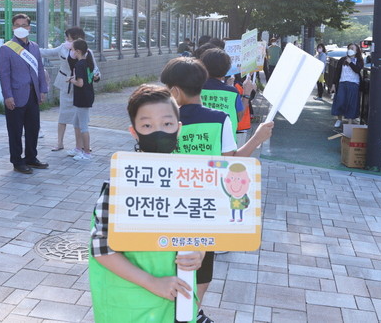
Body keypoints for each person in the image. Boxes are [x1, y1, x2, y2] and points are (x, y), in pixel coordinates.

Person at [160, 58, 273, 322]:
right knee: (202, 265)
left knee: (169, 260)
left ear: (174, 90)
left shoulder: (165, 120)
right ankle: (192, 311)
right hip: (205, 207)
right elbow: (232, 164)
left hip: (170, 204)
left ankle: (173, 311)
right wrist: (257, 138)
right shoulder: (219, 119)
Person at [89, 84, 205, 323]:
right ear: (134, 132)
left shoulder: (191, 179)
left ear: (179, 129)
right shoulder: (120, 183)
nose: (159, 132)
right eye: (147, 126)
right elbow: (101, 248)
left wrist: (199, 252)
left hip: (177, 303)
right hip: (130, 307)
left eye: (167, 124)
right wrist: (152, 282)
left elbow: (203, 230)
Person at [0, 13, 49, 174]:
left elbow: (40, 69)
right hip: (15, 95)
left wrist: (43, 90)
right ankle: (17, 161)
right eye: (17, 25)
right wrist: (8, 96)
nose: (21, 28)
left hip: (33, 95)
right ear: (13, 27)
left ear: (29, 27)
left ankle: (31, 158)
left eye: (24, 25)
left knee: (33, 128)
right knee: (15, 131)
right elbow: (4, 75)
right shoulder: (6, 48)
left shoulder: (34, 47)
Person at [40, 27, 101, 153]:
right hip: (65, 84)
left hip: (80, 89)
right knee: (63, 115)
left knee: (79, 119)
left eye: (68, 38)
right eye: (66, 38)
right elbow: (47, 52)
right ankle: (60, 143)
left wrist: (97, 76)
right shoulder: (63, 48)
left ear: (77, 39)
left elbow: (94, 69)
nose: (66, 41)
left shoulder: (87, 52)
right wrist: (30, 48)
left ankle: (81, 146)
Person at [198, 48, 244, 140]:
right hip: (226, 142)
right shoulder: (232, 92)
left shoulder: (193, 89)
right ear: (227, 69)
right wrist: (247, 94)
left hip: (200, 141)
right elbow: (239, 117)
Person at [68, 39, 95, 161]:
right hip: (87, 96)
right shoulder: (87, 62)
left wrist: (71, 80)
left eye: (72, 50)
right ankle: (78, 148)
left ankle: (87, 153)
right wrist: (74, 78)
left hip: (82, 98)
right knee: (76, 123)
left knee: (83, 126)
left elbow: (80, 83)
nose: (71, 52)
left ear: (78, 51)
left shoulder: (79, 65)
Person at [331, 43, 364, 128]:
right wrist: (334, 84)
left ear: (357, 50)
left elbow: (357, 70)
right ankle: (339, 119)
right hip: (342, 82)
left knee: (352, 103)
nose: (350, 50)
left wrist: (350, 63)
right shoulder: (342, 60)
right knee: (340, 101)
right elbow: (337, 72)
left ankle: (349, 122)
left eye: (352, 48)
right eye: (349, 48)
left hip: (354, 83)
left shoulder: (359, 60)